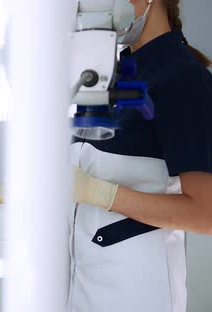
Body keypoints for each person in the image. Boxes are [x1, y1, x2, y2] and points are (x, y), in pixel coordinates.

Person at [70, 0, 212, 311]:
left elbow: (206, 214)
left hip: (140, 294)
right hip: (84, 291)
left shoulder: (183, 79)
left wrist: (101, 193)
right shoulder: (106, 78)